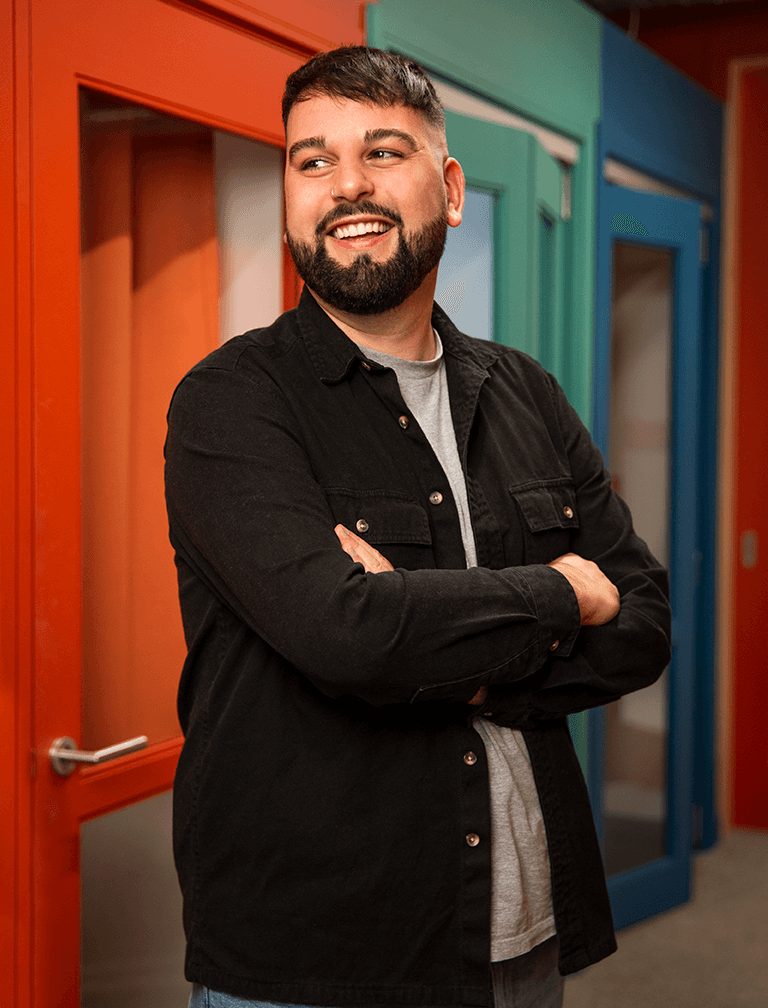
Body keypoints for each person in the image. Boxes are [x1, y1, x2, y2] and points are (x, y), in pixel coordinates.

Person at [165, 46, 671, 1008]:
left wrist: (423, 632)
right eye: (312, 161)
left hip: (523, 944)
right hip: (319, 962)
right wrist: (564, 592)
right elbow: (343, 634)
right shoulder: (230, 404)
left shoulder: (524, 390)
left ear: (449, 188)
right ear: (289, 193)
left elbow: (644, 623)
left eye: (382, 152)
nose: (345, 185)